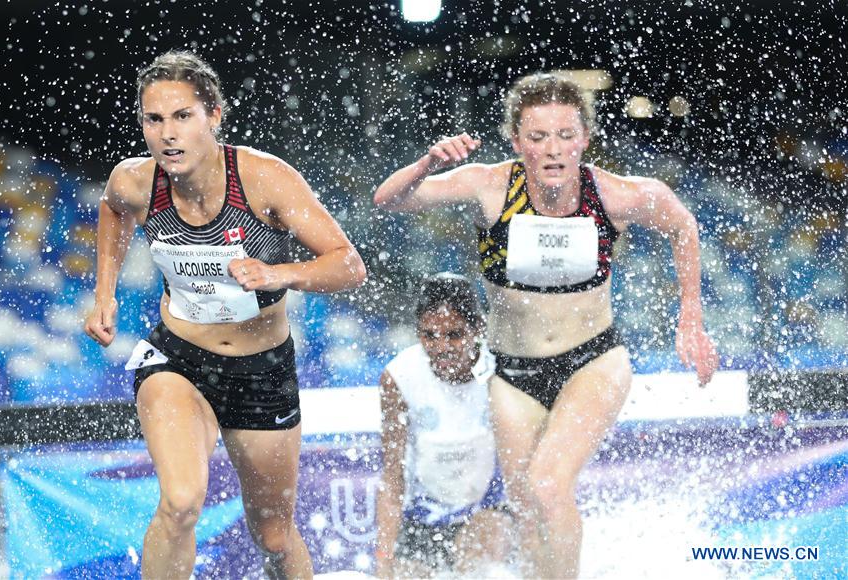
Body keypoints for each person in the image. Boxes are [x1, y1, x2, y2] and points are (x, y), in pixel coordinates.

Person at [373, 73, 719, 577]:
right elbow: (389, 200)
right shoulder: (489, 186)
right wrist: (429, 162)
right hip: (513, 374)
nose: (552, 150)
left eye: (564, 135)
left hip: (593, 360)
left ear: (584, 138)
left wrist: (691, 316)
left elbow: (680, 221)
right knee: (526, 505)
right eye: (537, 138)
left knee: (549, 485)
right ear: (517, 142)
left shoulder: (614, 195)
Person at [83, 50, 366, 579]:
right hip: (177, 358)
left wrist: (280, 274)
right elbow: (113, 208)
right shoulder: (135, 181)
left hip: (261, 371)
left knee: (274, 534)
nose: (167, 134)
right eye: (154, 119)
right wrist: (105, 292)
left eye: (182, 116)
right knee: (182, 501)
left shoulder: (266, 180)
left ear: (214, 115)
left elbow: (350, 267)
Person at [376, 273, 510, 579]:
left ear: (478, 329)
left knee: (475, 561)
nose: (441, 347)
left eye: (454, 335)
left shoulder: (498, 371)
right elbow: (393, 477)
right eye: (429, 335)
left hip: (489, 507)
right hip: (425, 514)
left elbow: (522, 464)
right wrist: (384, 559)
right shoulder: (399, 377)